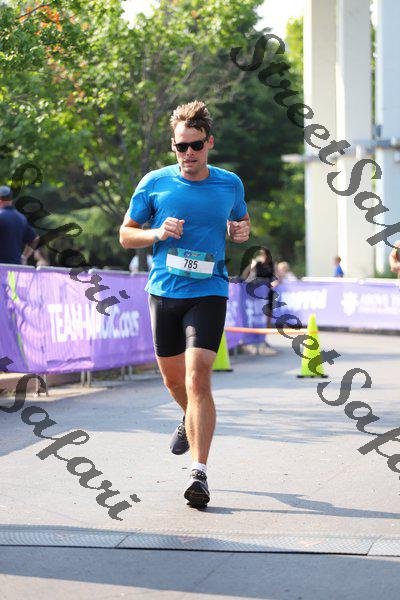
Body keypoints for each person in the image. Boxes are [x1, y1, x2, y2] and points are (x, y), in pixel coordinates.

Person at [119, 100, 250, 508]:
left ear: (209, 143)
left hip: (209, 290)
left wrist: (241, 232)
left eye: (195, 145)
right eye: (181, 147)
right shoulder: (154, 183)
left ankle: (199, 473)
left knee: (197, 379)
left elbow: (240, 222)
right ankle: (188, 417)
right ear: (173, 146)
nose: (188, 154)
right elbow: (126, 234)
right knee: (175, 382)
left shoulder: (230, 184)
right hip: (164, 293)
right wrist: (157, 233)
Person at [241, 247, 276, 347]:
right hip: (258, 293)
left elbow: (276, 277)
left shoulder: (273, 264)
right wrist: (252, 264)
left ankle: (264, 337)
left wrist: (274, 283)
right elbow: (245, 275)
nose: (263, 256)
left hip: (268, 292)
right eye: (261, 254)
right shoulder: (258, 263)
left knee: (268, 314)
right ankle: (254, 337)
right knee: (257, 314)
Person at [0, 185, 40, 265]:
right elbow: (35, 239)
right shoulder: (21, 218)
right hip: (15, 268)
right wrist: (24, 257)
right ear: (11, 200)